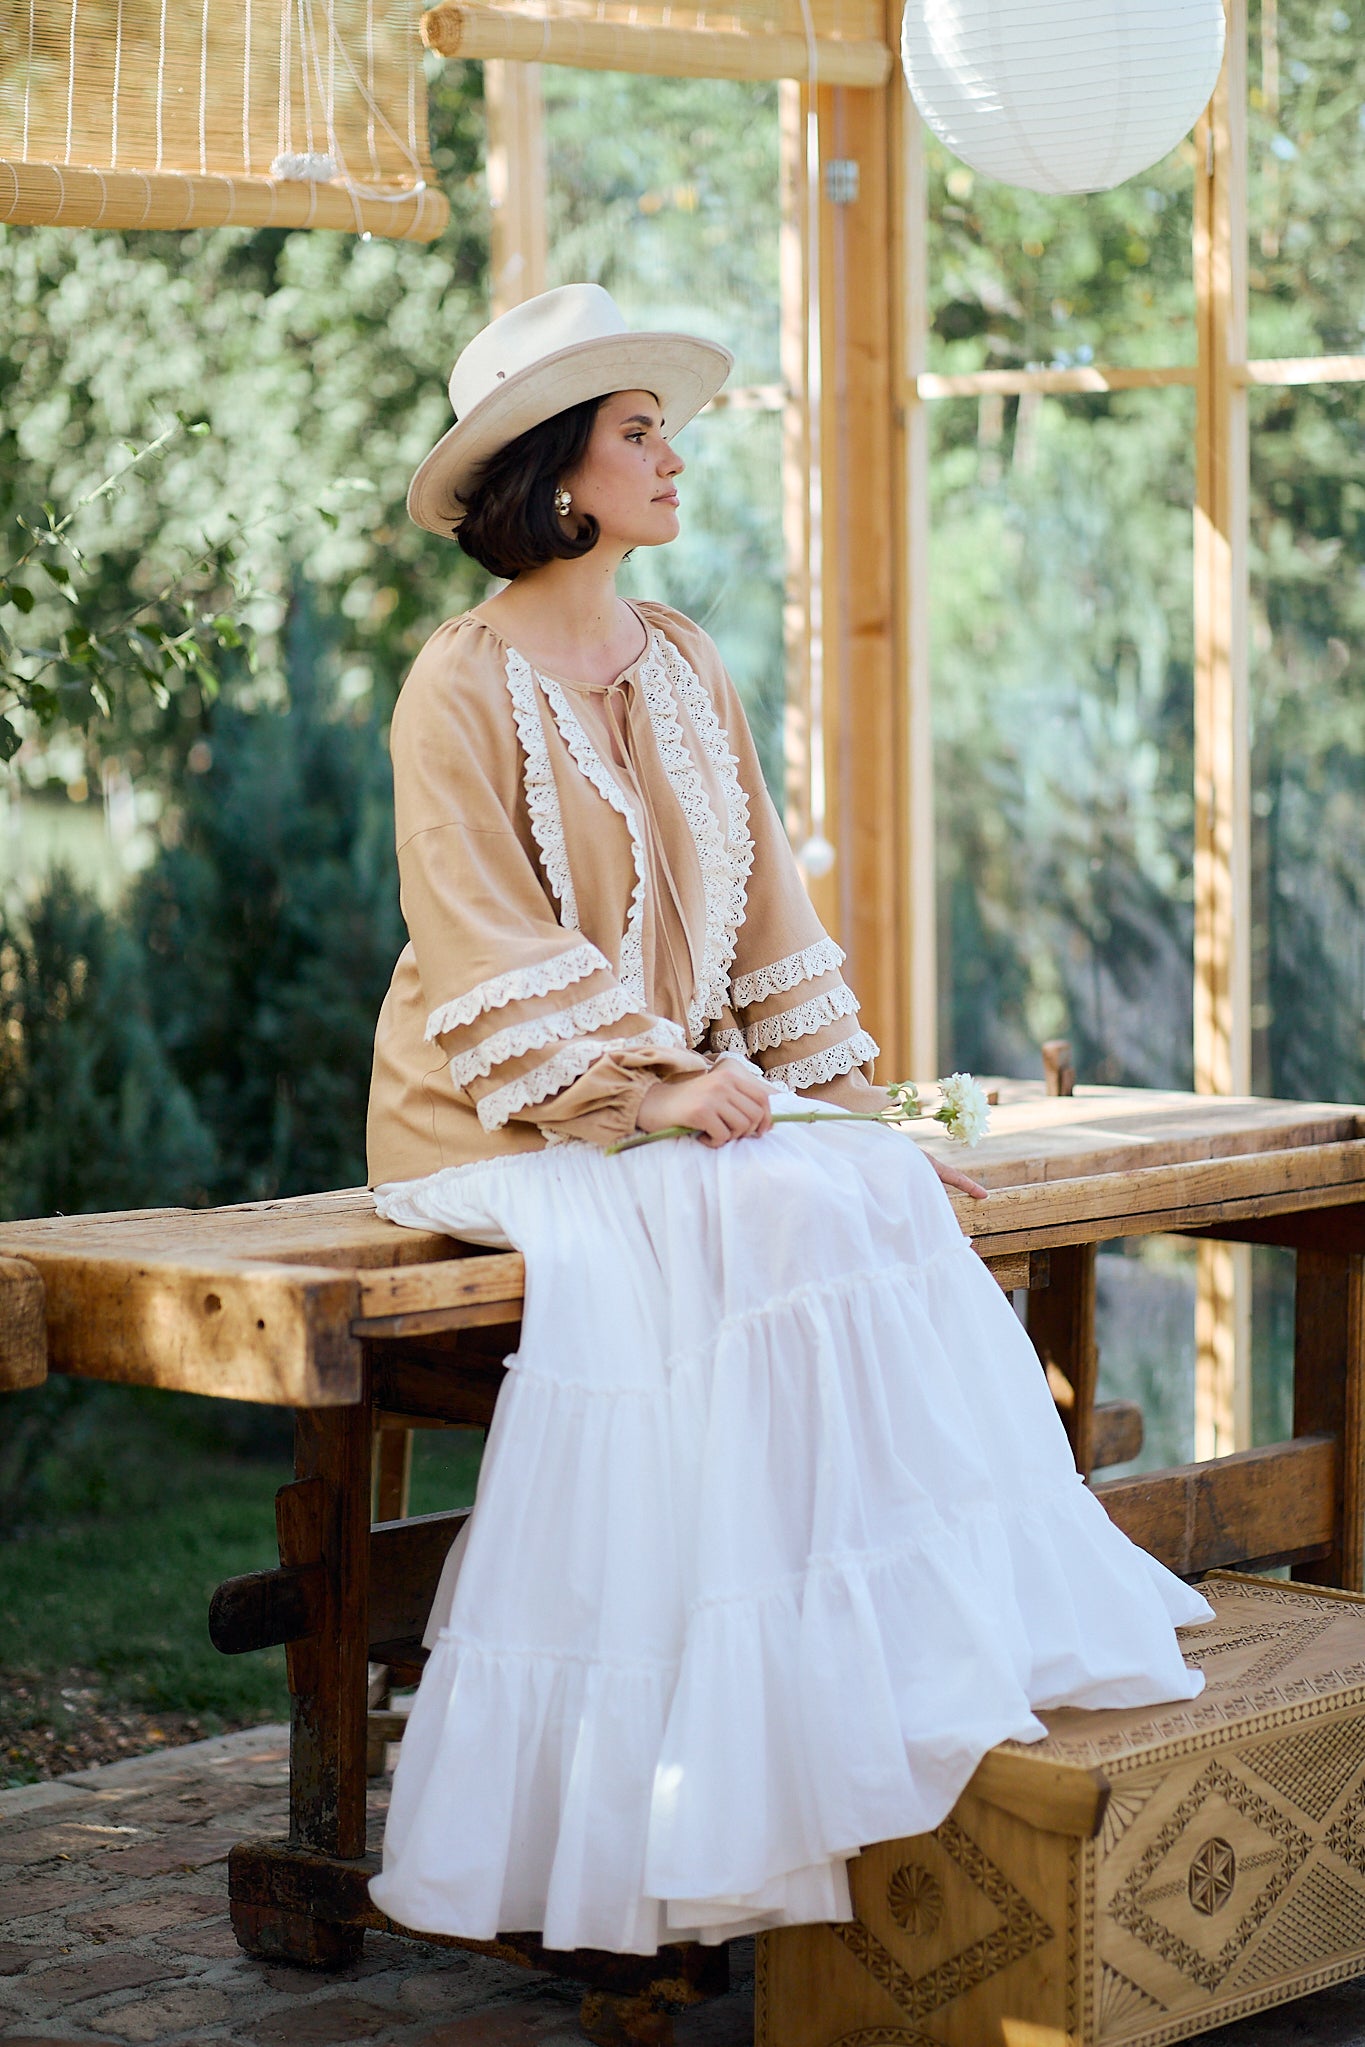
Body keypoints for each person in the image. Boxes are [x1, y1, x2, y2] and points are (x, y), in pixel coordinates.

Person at [364, 282, 1211, 1956]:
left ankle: (887, 1667)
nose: (673, 458)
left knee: (863, 1193)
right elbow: (477, 931)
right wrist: (653, 1083)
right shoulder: (455, 684)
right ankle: (708, 1740)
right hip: (506, 1116)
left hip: (681, 1107)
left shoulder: (684, 661)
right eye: (639, 433)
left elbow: (765, 918)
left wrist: (845, 1114)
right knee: (759, 1208)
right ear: (556, 468)